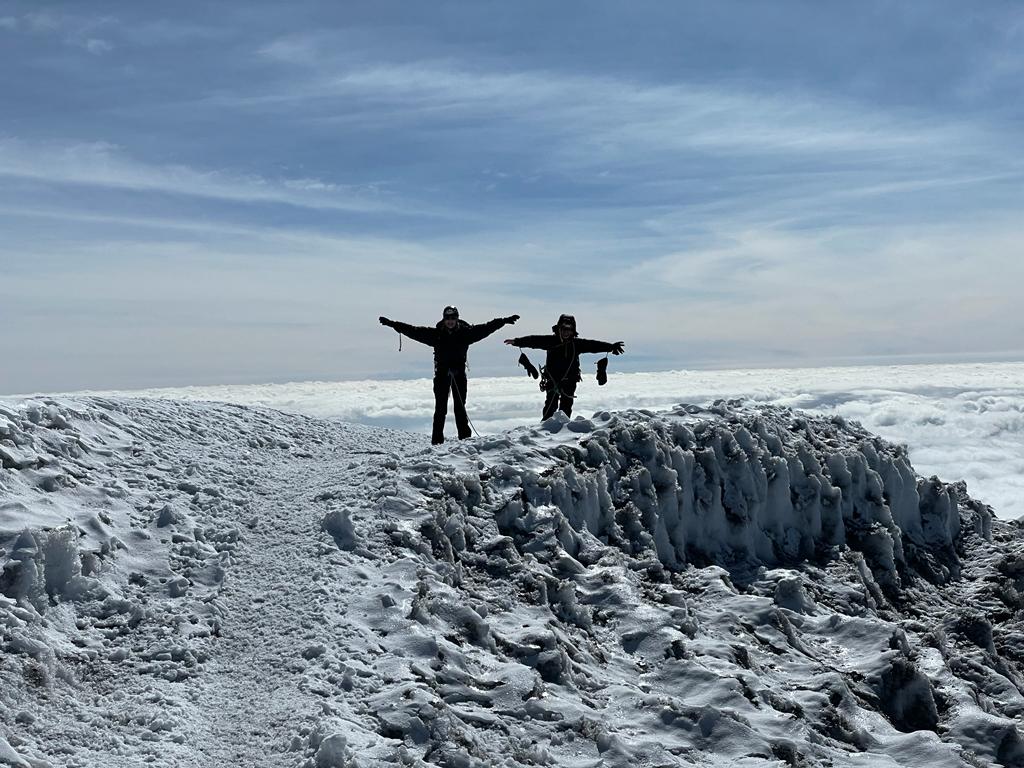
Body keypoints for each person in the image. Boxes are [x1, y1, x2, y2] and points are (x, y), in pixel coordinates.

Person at [379, 306, 519, 445]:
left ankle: (465, 441)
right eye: (447, 318)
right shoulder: (436, 334)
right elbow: (414, 331)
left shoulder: (466, 333)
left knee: (460, 408)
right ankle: (437, 443)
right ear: (444, 319)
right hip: (441, 375)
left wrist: (503, 321)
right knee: (440, 409)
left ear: (457, 319)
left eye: (453, 318)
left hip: (459, 375)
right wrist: (393, 324)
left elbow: (486, 328)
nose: (450, 321)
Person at [505, 314, 624, 420]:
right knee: (550, 407)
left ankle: (564, 432)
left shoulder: (577, 344)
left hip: (570, 380)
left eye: (569, 329)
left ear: (573, 331)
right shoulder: (550, 341)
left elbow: (593, 345)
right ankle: (545, 432)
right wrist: (517, 341)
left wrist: (611, 347)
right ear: (559, 329)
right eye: (564, 329)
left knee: (566, 408)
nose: (566, 332)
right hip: (552, 380)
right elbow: (533, 340)